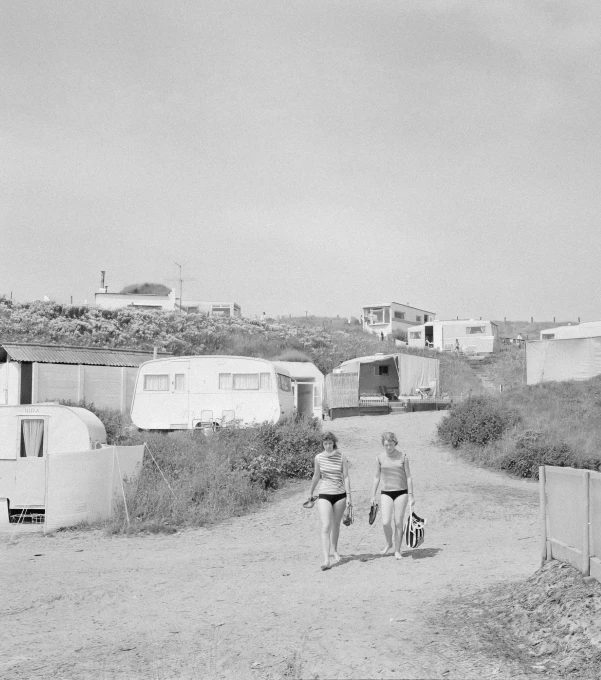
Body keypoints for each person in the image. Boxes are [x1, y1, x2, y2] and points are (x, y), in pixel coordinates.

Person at [307, 431, 352, 570]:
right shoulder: (318, 458)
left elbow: (346, 477)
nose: (327, 446)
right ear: (322, 444)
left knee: (336, 524)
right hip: (324, 493)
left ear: (334, 443)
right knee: (326, 525)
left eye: (330, 443)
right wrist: (310, 492)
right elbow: (316, 476)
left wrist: (349, 496)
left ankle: (335, 550)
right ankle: (326, 560)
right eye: (325, 443)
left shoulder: (341, 456)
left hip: (340, 493)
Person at [370, 431, 414, 560]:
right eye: (386, 445)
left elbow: (409, 477)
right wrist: (372, 495)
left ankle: (397, 550)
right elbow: (376, 477)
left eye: (391, 444)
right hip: (386, 492)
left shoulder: (403, 456)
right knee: (385, 522)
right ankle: (389, 543)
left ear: (395, 443)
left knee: (398, 522)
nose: (388, 447)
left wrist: (411, 495)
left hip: (401, 492)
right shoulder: (379, 458)